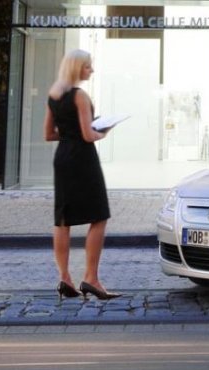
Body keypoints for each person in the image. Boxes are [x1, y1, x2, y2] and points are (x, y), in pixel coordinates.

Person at [43, 49, 120, 300]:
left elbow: (48, 134)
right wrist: (104, 131)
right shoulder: (80, 96)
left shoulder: (54, 95)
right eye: (88, 66)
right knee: (99, 215)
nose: (92, 70)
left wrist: (71, 132)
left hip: (62, 157)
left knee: (63, 219)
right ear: (77, 68)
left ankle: (65, 278)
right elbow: (89, 136)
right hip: (83, 159)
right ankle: (92, 278)